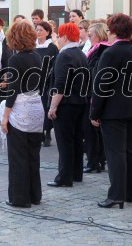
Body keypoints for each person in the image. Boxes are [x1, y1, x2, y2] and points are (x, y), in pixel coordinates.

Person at [90, 13, 132, 209]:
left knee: (116, 153)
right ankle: (131, 192)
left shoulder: (110, 53)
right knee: (131, 150)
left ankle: (116, 195)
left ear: (112, 31)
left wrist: (94, 112)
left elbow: (101, 86)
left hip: (114, 110)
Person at [0, 21, 44, 208]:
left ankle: (19, 198)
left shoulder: (15, 60)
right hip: (37, 107)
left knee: (18, 157)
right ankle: (35, 195)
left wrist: (5, 116)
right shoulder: (37, 56)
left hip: (21, 109)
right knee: (33, 155)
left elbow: (13, 91)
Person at [47, 22, 88, 188]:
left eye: (58, 36)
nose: (56, 39)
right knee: (76, 139)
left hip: (66, 104)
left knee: (65, 141)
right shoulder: (80, 53)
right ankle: (76, 173)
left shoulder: (64, 55)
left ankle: (64, 177)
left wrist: (53, 106)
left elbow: (61, 84)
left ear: (64, 37)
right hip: (80, 102)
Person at [83, 23, 110, 173]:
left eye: (91, 34)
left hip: (93, 93)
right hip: (91, 91)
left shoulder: (101, 49)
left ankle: (94, 162)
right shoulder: (96, 48)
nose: (89, 36)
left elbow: (94, 71)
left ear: (99, 35)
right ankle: (97, 161)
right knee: (94, 130)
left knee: (92, 130)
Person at [33, 21, 58, 147]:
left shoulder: (52, 47)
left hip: (47, 82)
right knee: (36, 108)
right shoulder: (33, 46)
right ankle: (39, 132)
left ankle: (47, 132)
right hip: (35, 82)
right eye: (37, 30)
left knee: (45, 106)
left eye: (41, 30)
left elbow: (55, 65)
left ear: (47, 32)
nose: (38, 32)